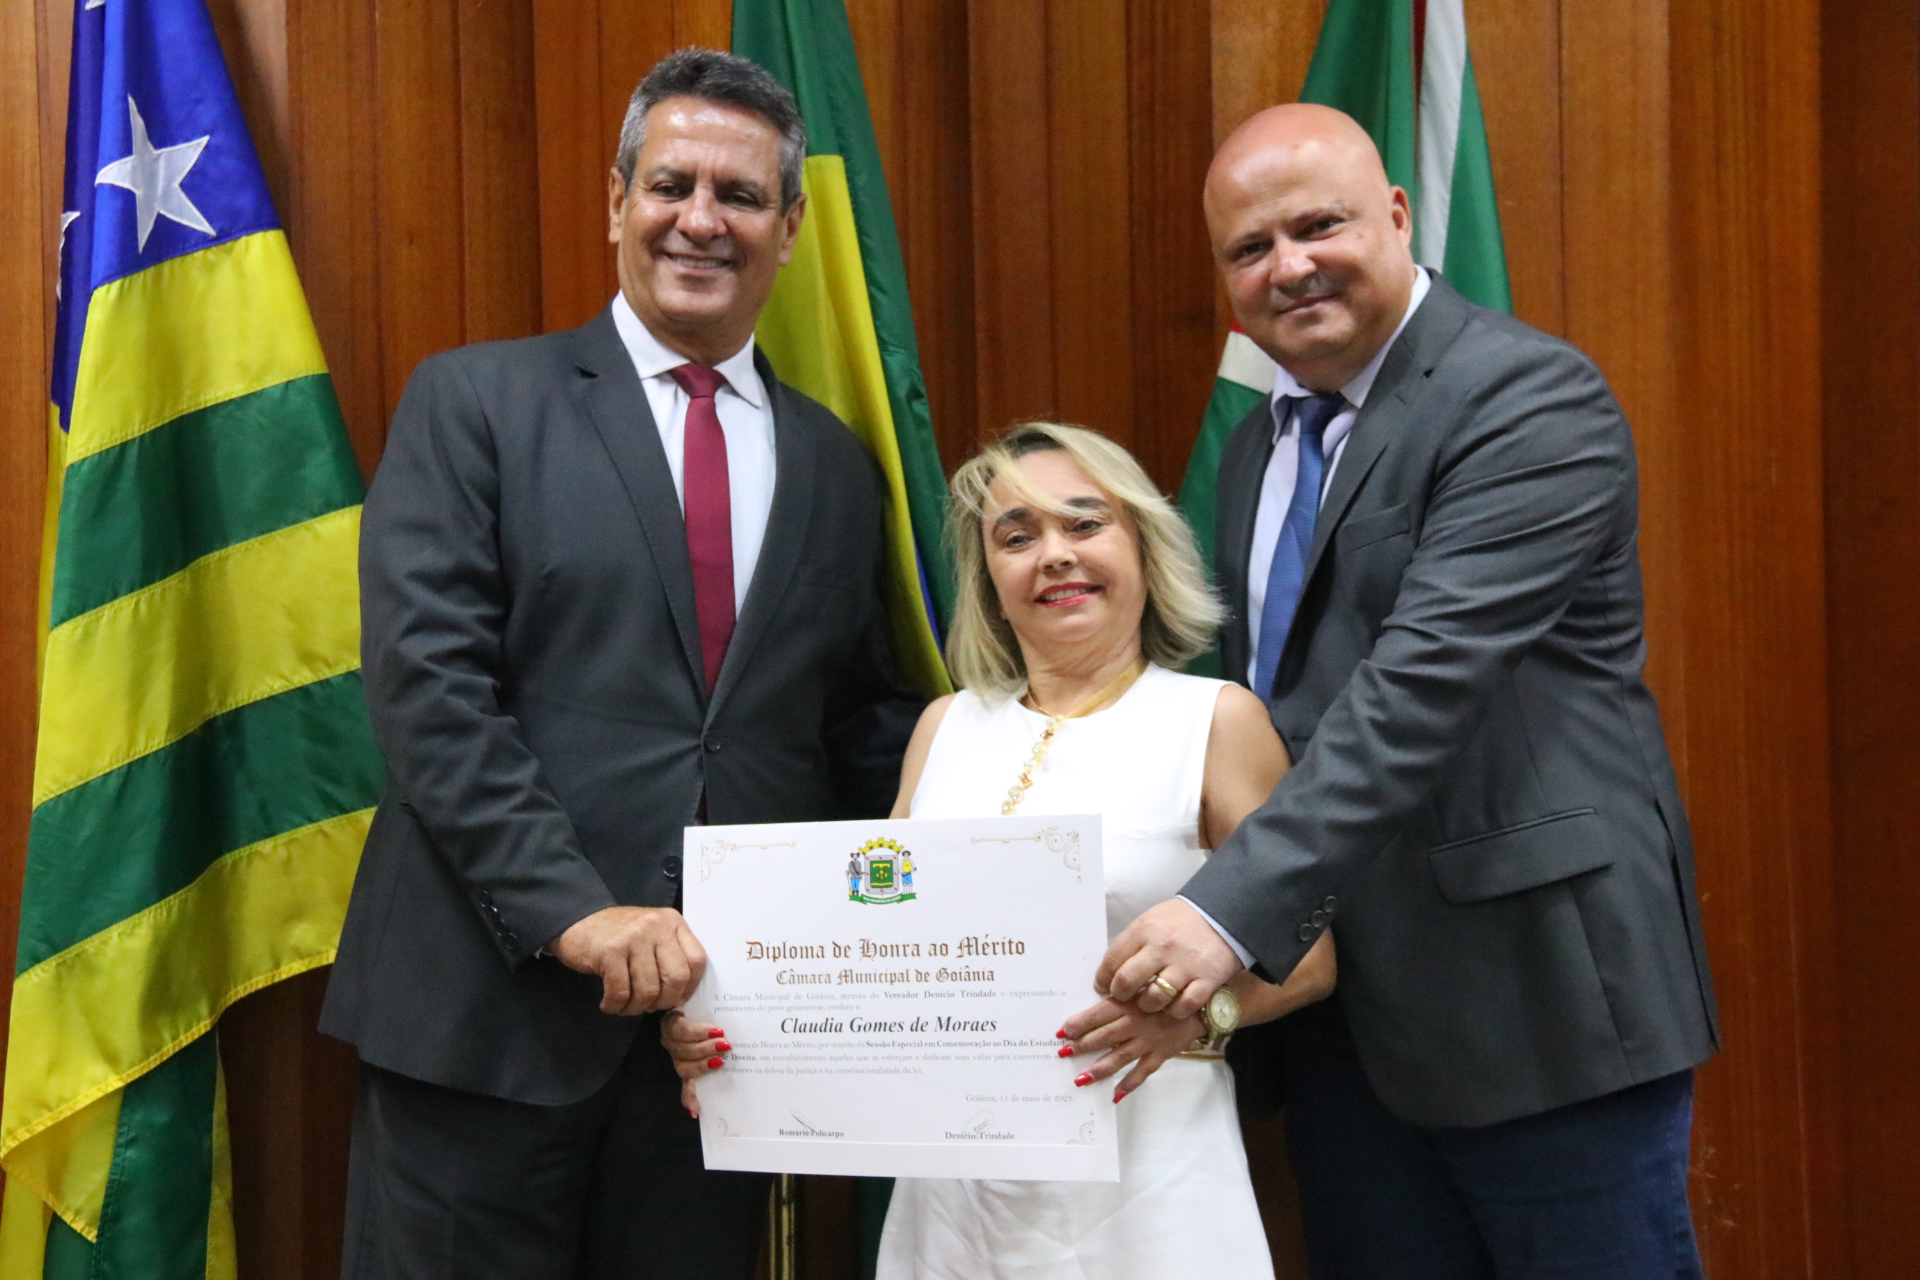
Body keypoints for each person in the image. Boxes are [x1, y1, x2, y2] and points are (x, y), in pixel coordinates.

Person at [1077, 103, 1719, 1278]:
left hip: (1538, 1005)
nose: (1289, 266)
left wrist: (1219, 913)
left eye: (1317, 225)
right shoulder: (1260, 447)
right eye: (1250, 248)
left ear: (1399, 214)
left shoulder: (1525, 398)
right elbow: (1265, 712)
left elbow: (1416, 691)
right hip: (1341, 1021)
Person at [320, 48, 920, 1280]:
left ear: (790, 227)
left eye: (740, 195)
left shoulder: (835, 464)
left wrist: (970, 908)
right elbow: (432, 691)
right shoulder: (475, 402)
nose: (701, 219)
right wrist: (575, 913)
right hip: (483, 1027)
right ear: (616, 202)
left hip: (713, 1048)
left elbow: (859, 729)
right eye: (671, 184)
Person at [679, 421, 1337, 1276]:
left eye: (1084, 523)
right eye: (1017, 537)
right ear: (989, 578)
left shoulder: (1215, 720)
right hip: (956, 1192)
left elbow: (1309, 960)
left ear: (1144, 546)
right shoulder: (943, 726)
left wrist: (1195, 1016)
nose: (1054, 555)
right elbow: (873, 950)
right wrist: (736, 1034)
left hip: (1148, 1167)